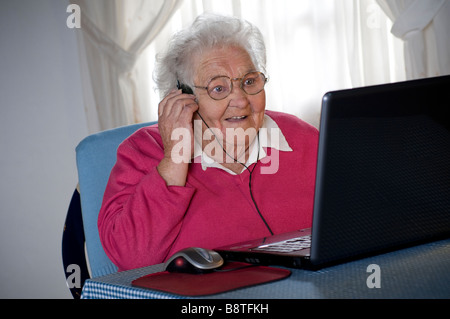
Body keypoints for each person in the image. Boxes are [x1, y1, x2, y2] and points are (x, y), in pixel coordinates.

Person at [98, 14, 319, 271]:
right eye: (218, 88)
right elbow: (131, 257)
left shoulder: (299, 135)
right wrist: (175, 159)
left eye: (249, 82)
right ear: (183, 97)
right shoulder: (143, 149)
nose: (240, 99)